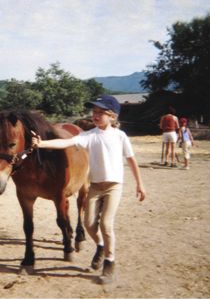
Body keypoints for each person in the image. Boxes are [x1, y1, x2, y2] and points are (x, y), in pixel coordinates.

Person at [31, 95, 146, 285]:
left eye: (101, 112)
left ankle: (110, 262)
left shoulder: (120, 136)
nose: (96, 115)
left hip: (113, 186)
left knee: (106, 225)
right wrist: (41, 144)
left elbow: (132, 160)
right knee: (89, 224)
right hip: (95, 186)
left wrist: (140, 184)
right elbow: (65, 143)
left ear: (112, 116)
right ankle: (100, 245)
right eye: (94, 112)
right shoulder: (89, 135)